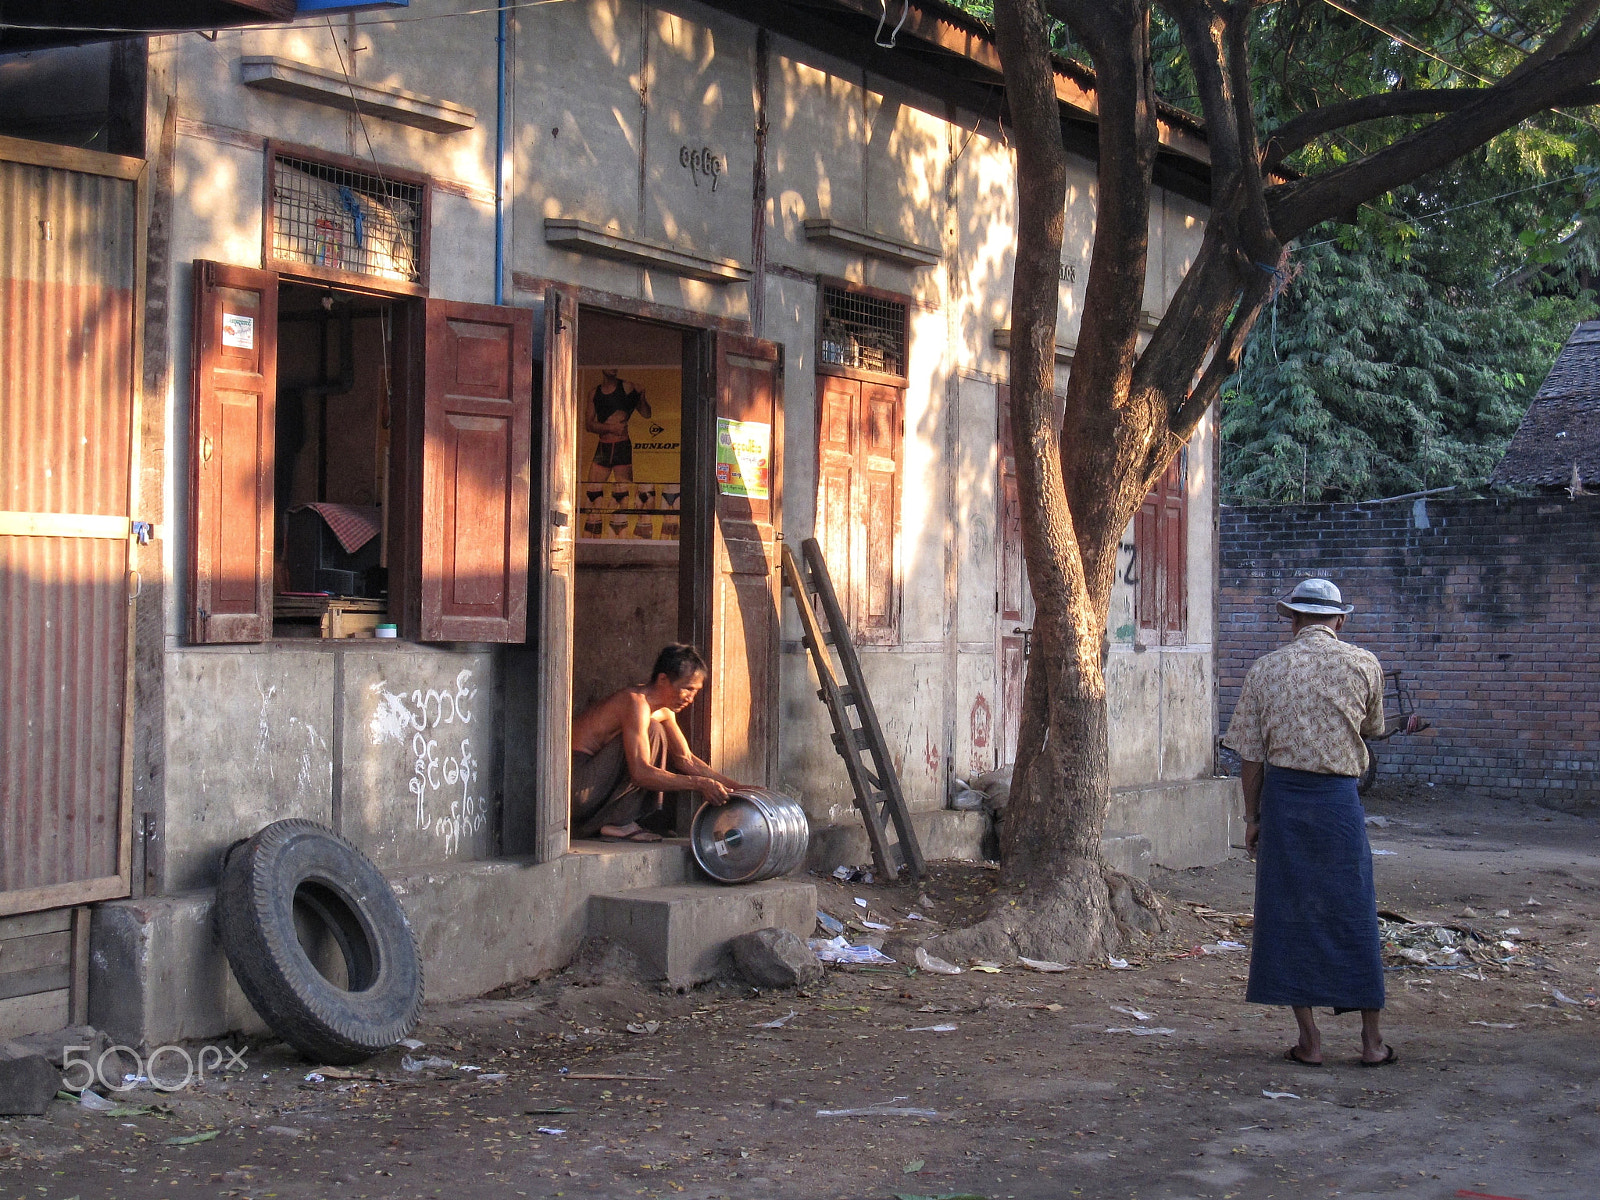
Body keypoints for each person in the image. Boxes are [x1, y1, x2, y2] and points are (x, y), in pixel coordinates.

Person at [1222, 577, 1396, 1067]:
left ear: (1293, 619)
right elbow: (1373, 728)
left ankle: (1311, 1042)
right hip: (1340, 806)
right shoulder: (1364, 664)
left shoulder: (1265, 670)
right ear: (1339, 620)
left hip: (1285, 804)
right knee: (1353, 913)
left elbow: (1251, 757)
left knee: (1287, 916)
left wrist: (1253, 818)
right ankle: (1371, 1042)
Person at [570, 644, 744, 842]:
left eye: (695, 691)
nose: (691, 698)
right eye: (687, 689)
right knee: (653, 730)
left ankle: (617, 822)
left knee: (655, 728)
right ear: (663, 680)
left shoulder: (665, 711)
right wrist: (698, 784)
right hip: (578, 787)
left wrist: (737, 787)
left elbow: (686, 760)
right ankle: (619, 822)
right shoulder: (635, 703)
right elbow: (641, 772)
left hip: (596, 788)